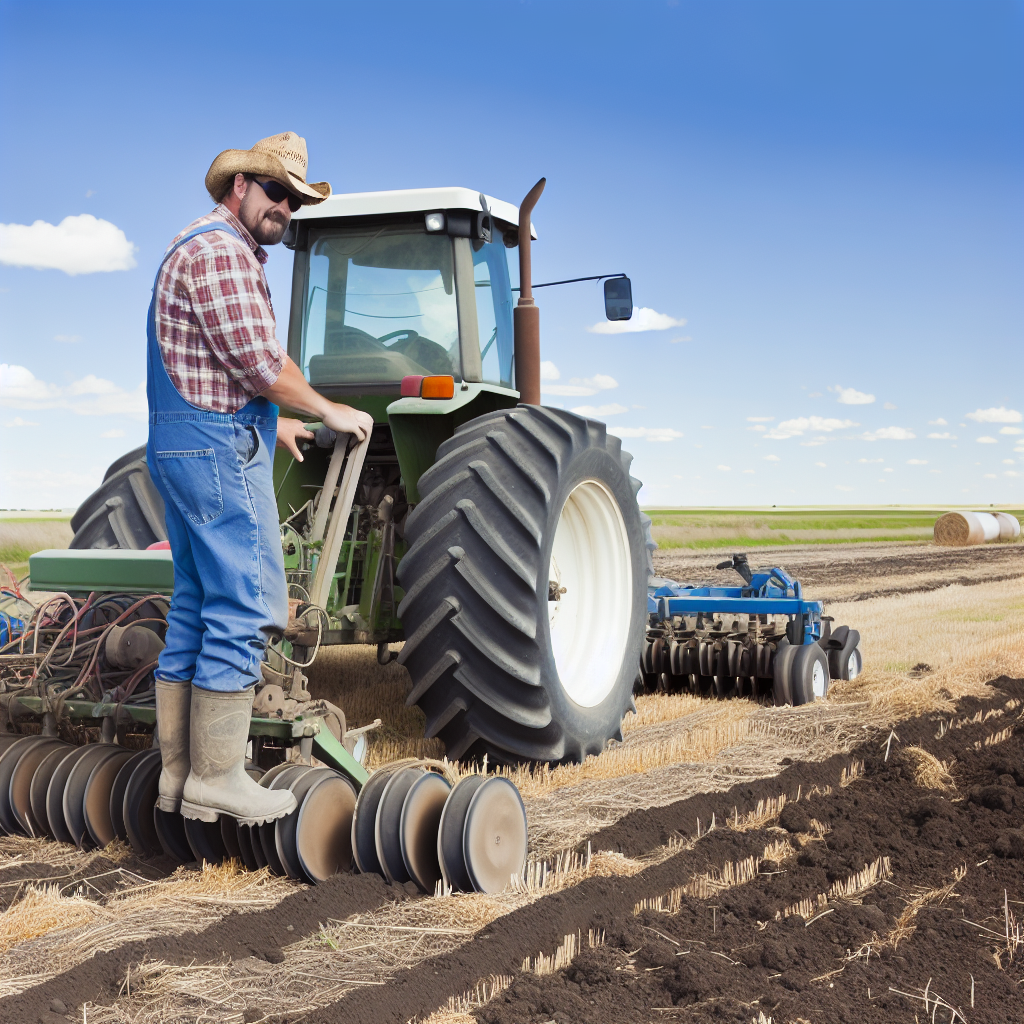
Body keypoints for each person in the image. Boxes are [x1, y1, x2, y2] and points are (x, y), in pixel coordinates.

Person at [146, 132, 373, 826]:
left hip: (186, 441)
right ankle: (220, 776)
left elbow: (213, 364)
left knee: (197, 603)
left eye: (294, 199)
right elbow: (259, 362)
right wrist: (328, 407)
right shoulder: (221, 253)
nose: (284, 207)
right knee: (245, 605)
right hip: (214, 452)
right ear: (238, 186)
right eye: (275, 191)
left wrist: (271, 422)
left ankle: (179, 775)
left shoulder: (201, 245)